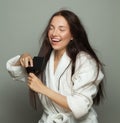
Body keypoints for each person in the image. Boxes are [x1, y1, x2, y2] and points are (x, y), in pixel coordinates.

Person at [6, 9, 105, 123]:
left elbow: (80, 106)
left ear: (73, 34)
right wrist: (22, 58)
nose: (54, 33)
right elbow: (18, 73)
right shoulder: (45, 57)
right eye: (51, 28)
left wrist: (43, 89)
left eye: (61, 29)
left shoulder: (85, 61)